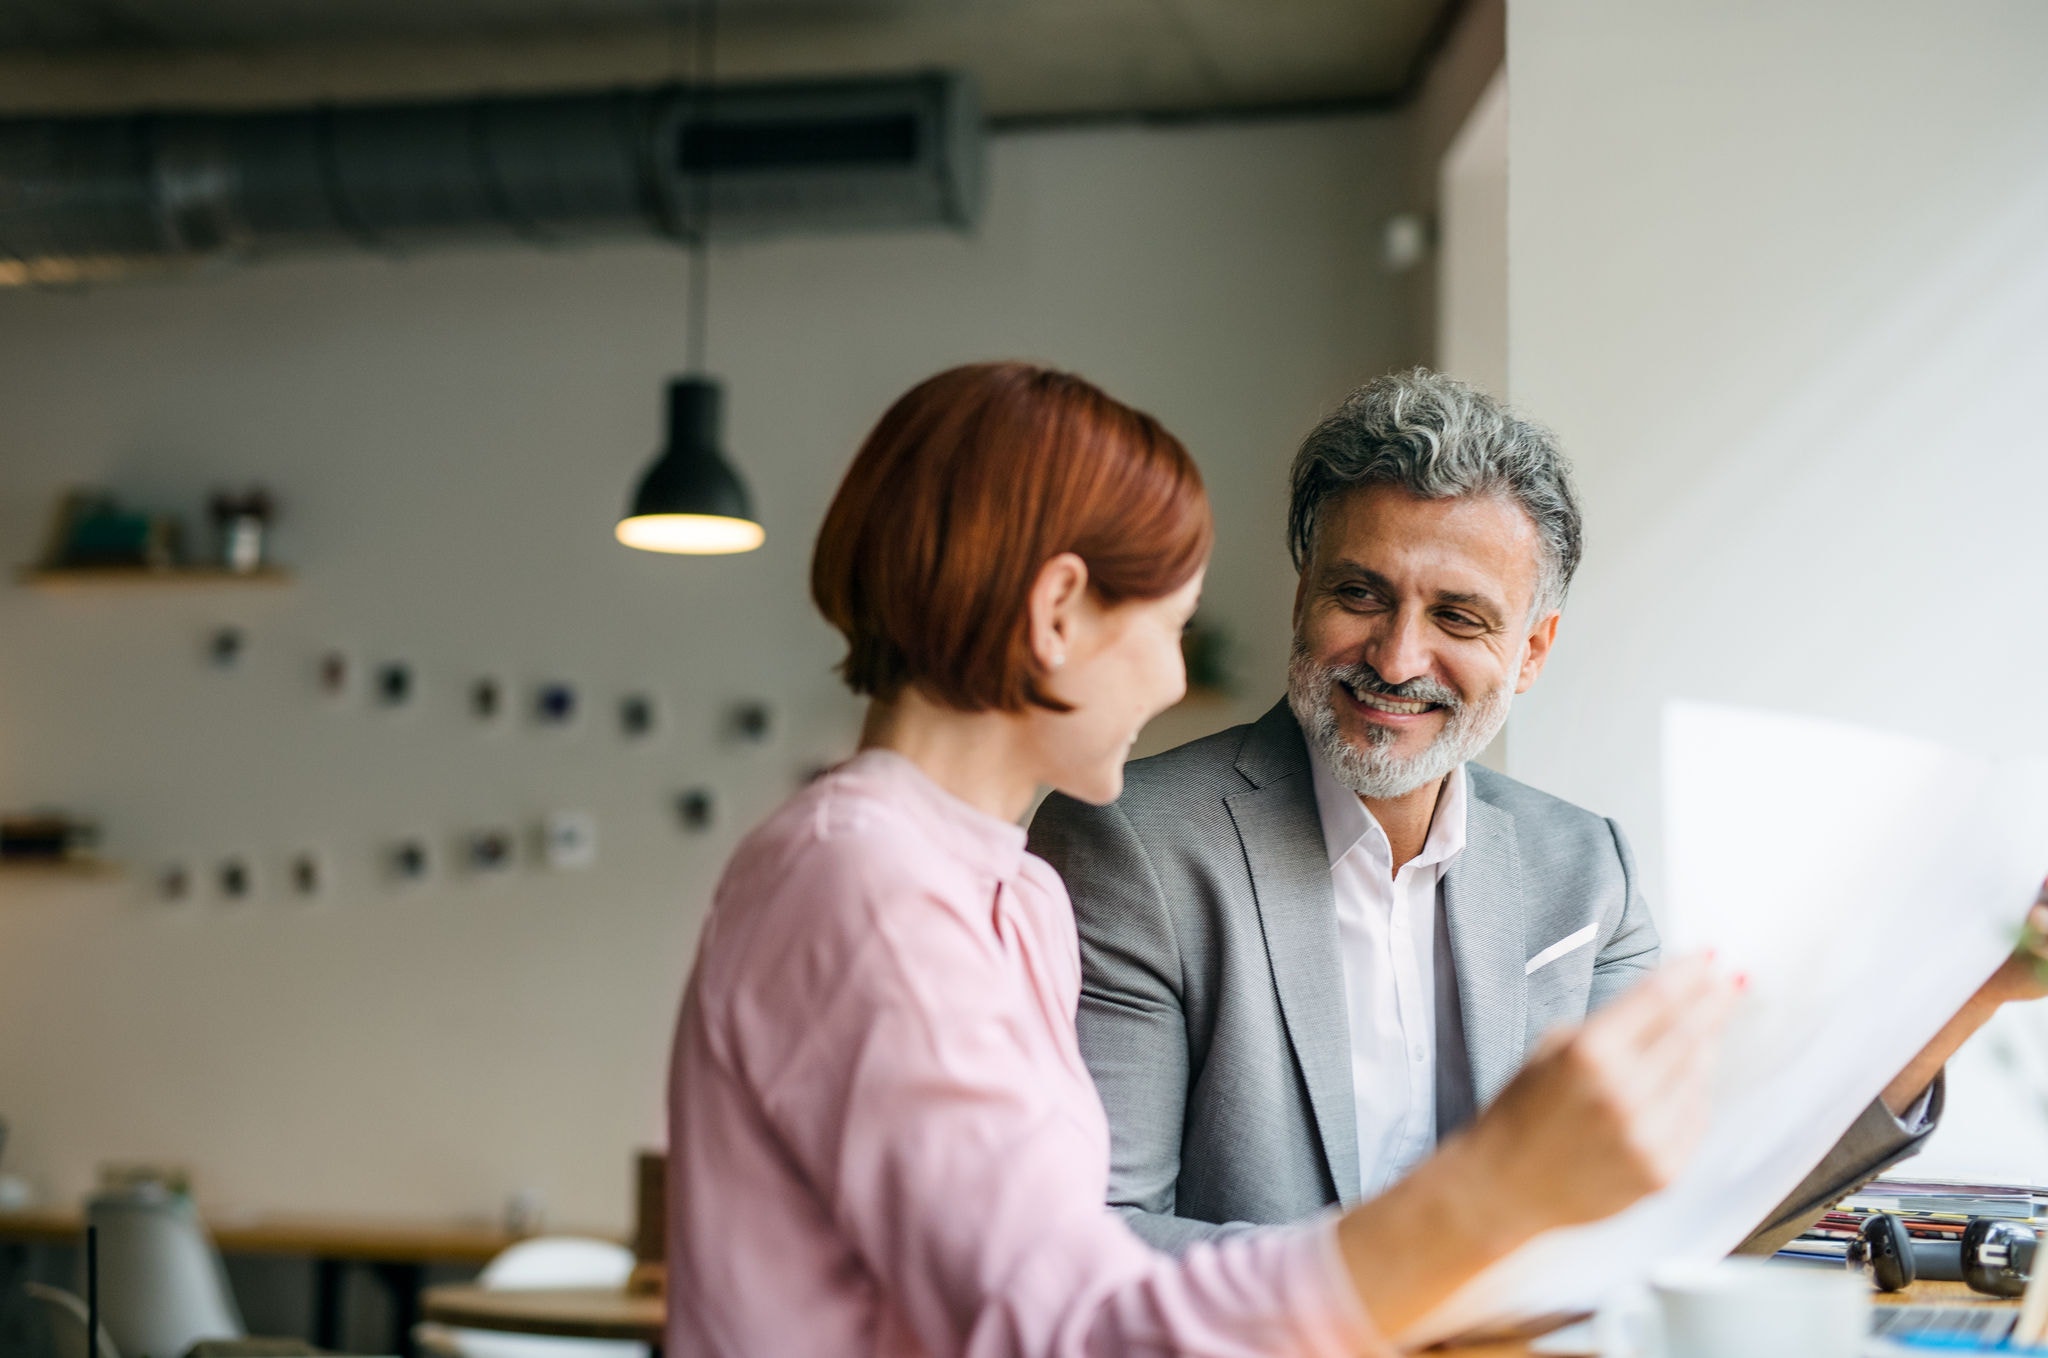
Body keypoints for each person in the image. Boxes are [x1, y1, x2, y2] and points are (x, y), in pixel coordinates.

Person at [665, 361, 1741, 1357]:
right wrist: (1483, 1199)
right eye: (1170, 623)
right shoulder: (863, 885)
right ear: (1055, 615)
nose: (1176, 682)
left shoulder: (1006, 887)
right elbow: (1067, 1316)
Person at [1028, 368, 2048, 1258]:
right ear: (1302, 595)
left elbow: (1692, 1198)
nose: (1394, 657)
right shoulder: (1132, 842)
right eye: (1358, 592)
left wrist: (1979, 985)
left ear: (1532, 650)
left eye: (1458, 615)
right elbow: (1093, 1235)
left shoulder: (1582, 870)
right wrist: (1435, 1271)